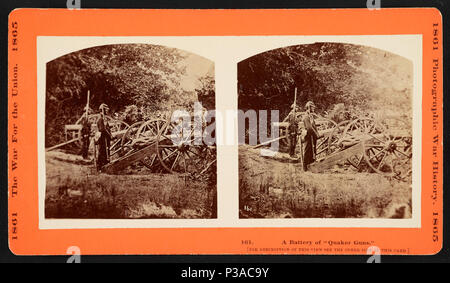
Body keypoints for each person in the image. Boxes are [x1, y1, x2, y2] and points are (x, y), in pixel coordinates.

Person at [302, 101, 320, 171]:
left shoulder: (311, 116)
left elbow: (314, 126)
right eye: (312, 107)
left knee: (313, 151)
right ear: (308, 107)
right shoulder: (306, 117)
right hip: (308, 136)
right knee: (307, 151)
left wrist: (317, 134)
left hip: (312, 136)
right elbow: (309, 128)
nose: (313, 108)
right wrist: (315, 134)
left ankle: (311, 165)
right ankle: (305, 168)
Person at [96, 103, 111, 170]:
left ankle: (105, 166)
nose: (107, 111)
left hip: (105, 138)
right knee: (102, 152)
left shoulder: (104, 118)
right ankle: (100, 167)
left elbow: (106, 128)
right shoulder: (100, 119)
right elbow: (102, 129)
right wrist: (109, 135)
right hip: (102, 138)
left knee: (105, 152)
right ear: (103, 110)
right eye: (106, 110)